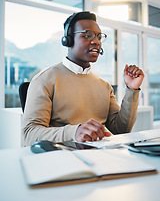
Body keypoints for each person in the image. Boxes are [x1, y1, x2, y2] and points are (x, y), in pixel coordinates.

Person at [22, 11, 144, 146]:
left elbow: (121, 130)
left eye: (99, 37)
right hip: (62, 159)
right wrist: (74, 132)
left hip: (101, 158)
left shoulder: (104, 86)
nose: (96, 42)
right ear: (67, 40)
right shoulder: (44, 80)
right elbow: (29, 134)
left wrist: (132, 89)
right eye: (88, 35)